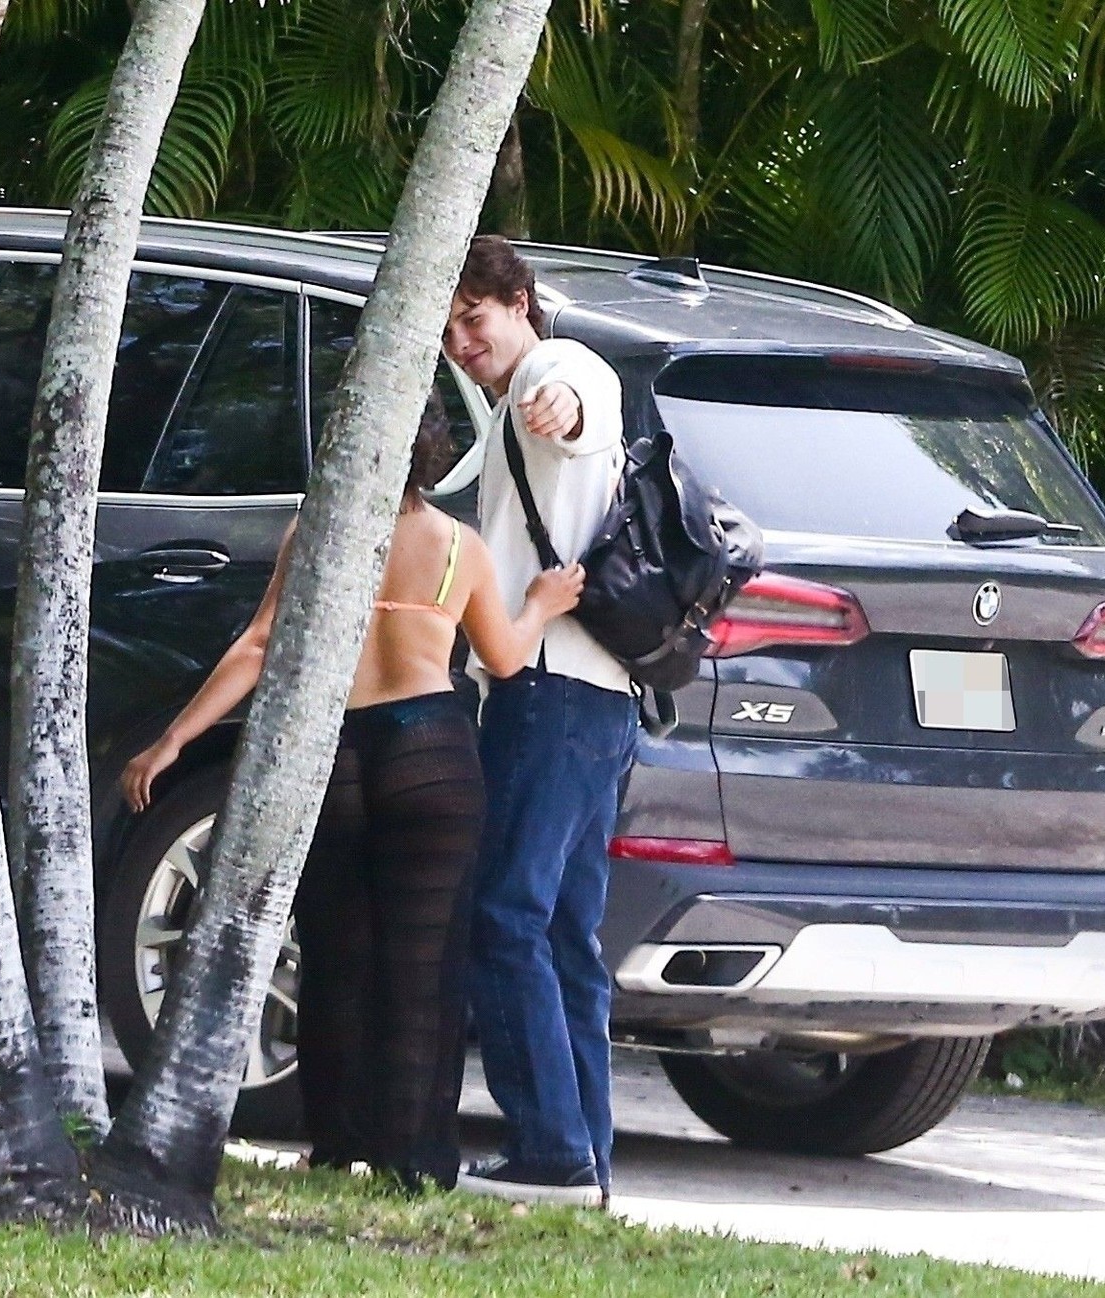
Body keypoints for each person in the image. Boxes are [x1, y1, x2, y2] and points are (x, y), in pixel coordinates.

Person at [121, 394, 584, 1190]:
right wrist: (540, 605)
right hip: (431, 749)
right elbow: (505, 659)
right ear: (431, 456)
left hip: (337, 748)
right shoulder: (458, 546)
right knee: (423, 963)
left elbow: (258, 645)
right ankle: (416, 1156)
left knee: (335, 950)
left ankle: (337, 1141)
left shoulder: (318, 532)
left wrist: (175, 738)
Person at [444, 235, 637, 1208]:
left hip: (548, 692)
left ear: (521, 302)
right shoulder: (508, 399)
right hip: (601, 696)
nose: (460, 341)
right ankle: (585, 1157)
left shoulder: (555, 369)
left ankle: (551, 1153)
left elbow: (577, 402)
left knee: (504, 914)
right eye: (448, 328)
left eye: (473, 318)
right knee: (564, 933)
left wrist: (556, 403)